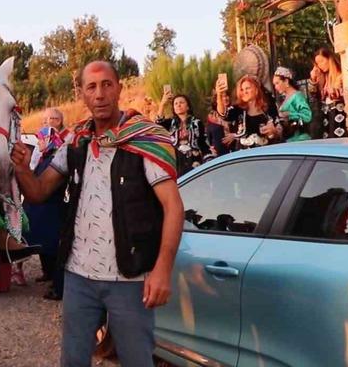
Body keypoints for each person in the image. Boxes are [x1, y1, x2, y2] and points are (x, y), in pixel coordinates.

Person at [11, 61, 184, 367]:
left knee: (137, 361)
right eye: (91, 87)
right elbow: (38, 192)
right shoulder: (76, 142)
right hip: (79, 276)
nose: (100, 94)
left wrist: (162, 270)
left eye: (106, 84)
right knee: (73, 360)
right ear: (82, 94)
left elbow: (174, 207)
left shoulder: (144, 140)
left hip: (130, 277)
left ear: (119, 89)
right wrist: (23, 169)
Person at [24, 109, 69, 300]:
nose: (39, 143)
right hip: (42, 205)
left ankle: (57, 285)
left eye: (53, 119)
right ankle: (48, 274)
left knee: (53, 245)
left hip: (51, 206)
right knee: (43, 242)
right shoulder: (43, 154)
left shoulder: (58, 155)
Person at [216, 74, 281, 150]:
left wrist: (274, 131)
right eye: (242, 89)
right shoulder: (238, 109)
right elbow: (224, 115)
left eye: (247, 88)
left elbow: (279, 127)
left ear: (256, 89)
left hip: (267, 151)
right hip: (245, 153)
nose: (244, 92)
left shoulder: (268, 108)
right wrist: (219, 95)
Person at [156, 93, 213, 176]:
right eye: (176, 103)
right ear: (173, 108)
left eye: (181, 102)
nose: (178, 105)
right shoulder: (171, 123)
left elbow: (203, 143)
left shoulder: (196, 123)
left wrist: (209, 161)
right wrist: (162, 104)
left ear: (188, 106)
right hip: (178, 164)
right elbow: (158, 123)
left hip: (195, 162)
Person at [309, 48, 348, 138]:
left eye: (322, 61)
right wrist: (313, 79)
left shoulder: (340, 76)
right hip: (327, 117)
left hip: (339, 115)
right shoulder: (324, 79)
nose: (320, 65)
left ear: (329, 59)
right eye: (318, 63)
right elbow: (313, 96)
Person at [272, 67, 312, 143]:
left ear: (286, 81)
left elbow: (307, 116)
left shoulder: (297, 96)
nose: (275, 87)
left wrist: (289, 114)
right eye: (274, 85)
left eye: (277, 83)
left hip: (300, 139)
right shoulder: (285, 98)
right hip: (289, 140)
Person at [205, 88, 231, 157]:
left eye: (226, 96)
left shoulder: (236, 112)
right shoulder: (211, 116)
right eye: (221, 97)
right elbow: (209, 137)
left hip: (235, 151)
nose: (225, 99)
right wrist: (211, 148)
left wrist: (234, 136)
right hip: (219, 155)